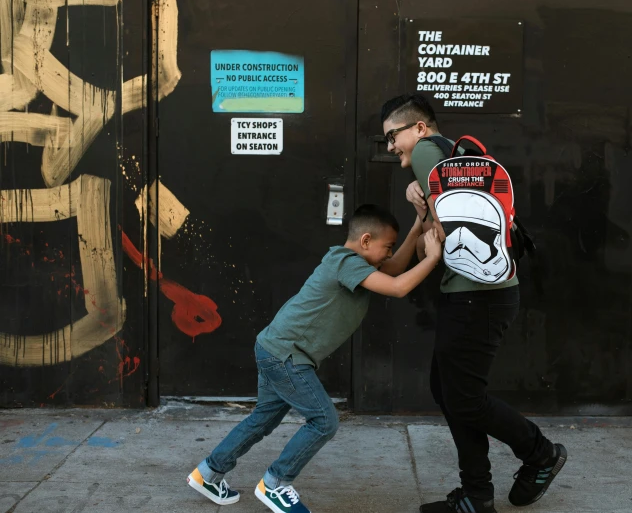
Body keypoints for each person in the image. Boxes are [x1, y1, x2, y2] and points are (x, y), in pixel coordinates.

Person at [187, 204, 442, 513]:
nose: (389, 254)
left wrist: (417, 227)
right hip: (286, 354)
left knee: (263, 419)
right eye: (386, 246)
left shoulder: (353, 263)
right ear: (365, 240)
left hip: (275, 347)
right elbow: (398, 286)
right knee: (323, 421)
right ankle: (275, 483)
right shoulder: (347, 263)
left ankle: (209, 473)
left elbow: (394, 270)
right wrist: (432, 257)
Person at [380, 94, 567, 513]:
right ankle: (477, 494)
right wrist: (425, 199)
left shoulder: (429, 152)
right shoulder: (454, 158)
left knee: (462, 397)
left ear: (420, 129)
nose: (391, 147)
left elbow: (452, 231)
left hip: (476, 298)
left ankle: (541, 454)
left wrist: (423, 204)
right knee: (448, 392)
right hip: (472, 294)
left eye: (394, 136)